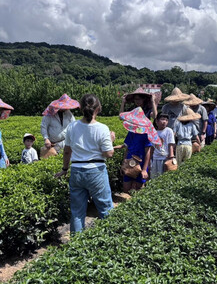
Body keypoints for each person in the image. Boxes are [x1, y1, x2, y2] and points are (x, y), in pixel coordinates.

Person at [55, 94, 115, 233]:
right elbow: (109, 153)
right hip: (96, 171)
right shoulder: (102, 128)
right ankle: (110, 241)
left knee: (77, 212)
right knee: (105, 209)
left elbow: (67, 151)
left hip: (77, 171)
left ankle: (77, 246)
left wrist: (64, 169)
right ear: (98, 108)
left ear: (81, 108)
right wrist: (111, 140)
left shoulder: (72, 126)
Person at [119, 107, 161, 192]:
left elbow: (148, 152)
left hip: (141, 163)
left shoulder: (146, 134)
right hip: (129, 162)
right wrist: (124, 163)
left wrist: (145, 169)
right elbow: (127, 149)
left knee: (139, 188)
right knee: (126, 188)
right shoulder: (131, 132)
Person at [150, 112, 175, 179]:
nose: (164, 122)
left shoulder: (169, 131)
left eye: (166, 120)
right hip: (155, 158)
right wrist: (149, 159)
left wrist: (171, 156)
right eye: (162, 119)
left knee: (164, 177)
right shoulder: (154, 132)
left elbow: (171, 144)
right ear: (157, 121)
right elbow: (152, 147)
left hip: (165, 158)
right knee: (154, 177)